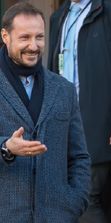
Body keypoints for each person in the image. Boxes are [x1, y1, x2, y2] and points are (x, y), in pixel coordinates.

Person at [47, 0, 111, 222]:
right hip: (65, 131)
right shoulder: (59, 17)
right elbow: (52, 76)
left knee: (90, 200)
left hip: (101, 132)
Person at [0, 2, 90, 222]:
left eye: (39, 37)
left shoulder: (64, 89)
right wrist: (5, 147)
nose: (34, 46)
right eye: (25, 38)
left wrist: (74, 203)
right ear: (5, 36)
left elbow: (79, 156)